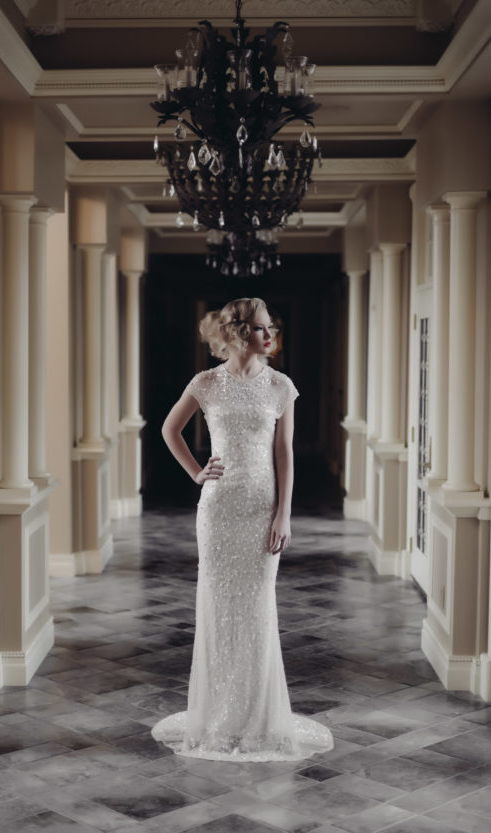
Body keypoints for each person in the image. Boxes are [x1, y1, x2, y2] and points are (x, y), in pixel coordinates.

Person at [151, 297, 333, 761]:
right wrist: (196, 473)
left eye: (270, 327)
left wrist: (284, 514)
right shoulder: (207, 383)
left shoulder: (280, 386)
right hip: (219, 510)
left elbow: (285, 455)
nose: (268, 335)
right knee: (218, 608)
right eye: (259, 328)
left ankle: (258, 716)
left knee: (256, 610)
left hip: (261, 510)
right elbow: (170, 430)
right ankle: (217, 716)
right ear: (236, 332)